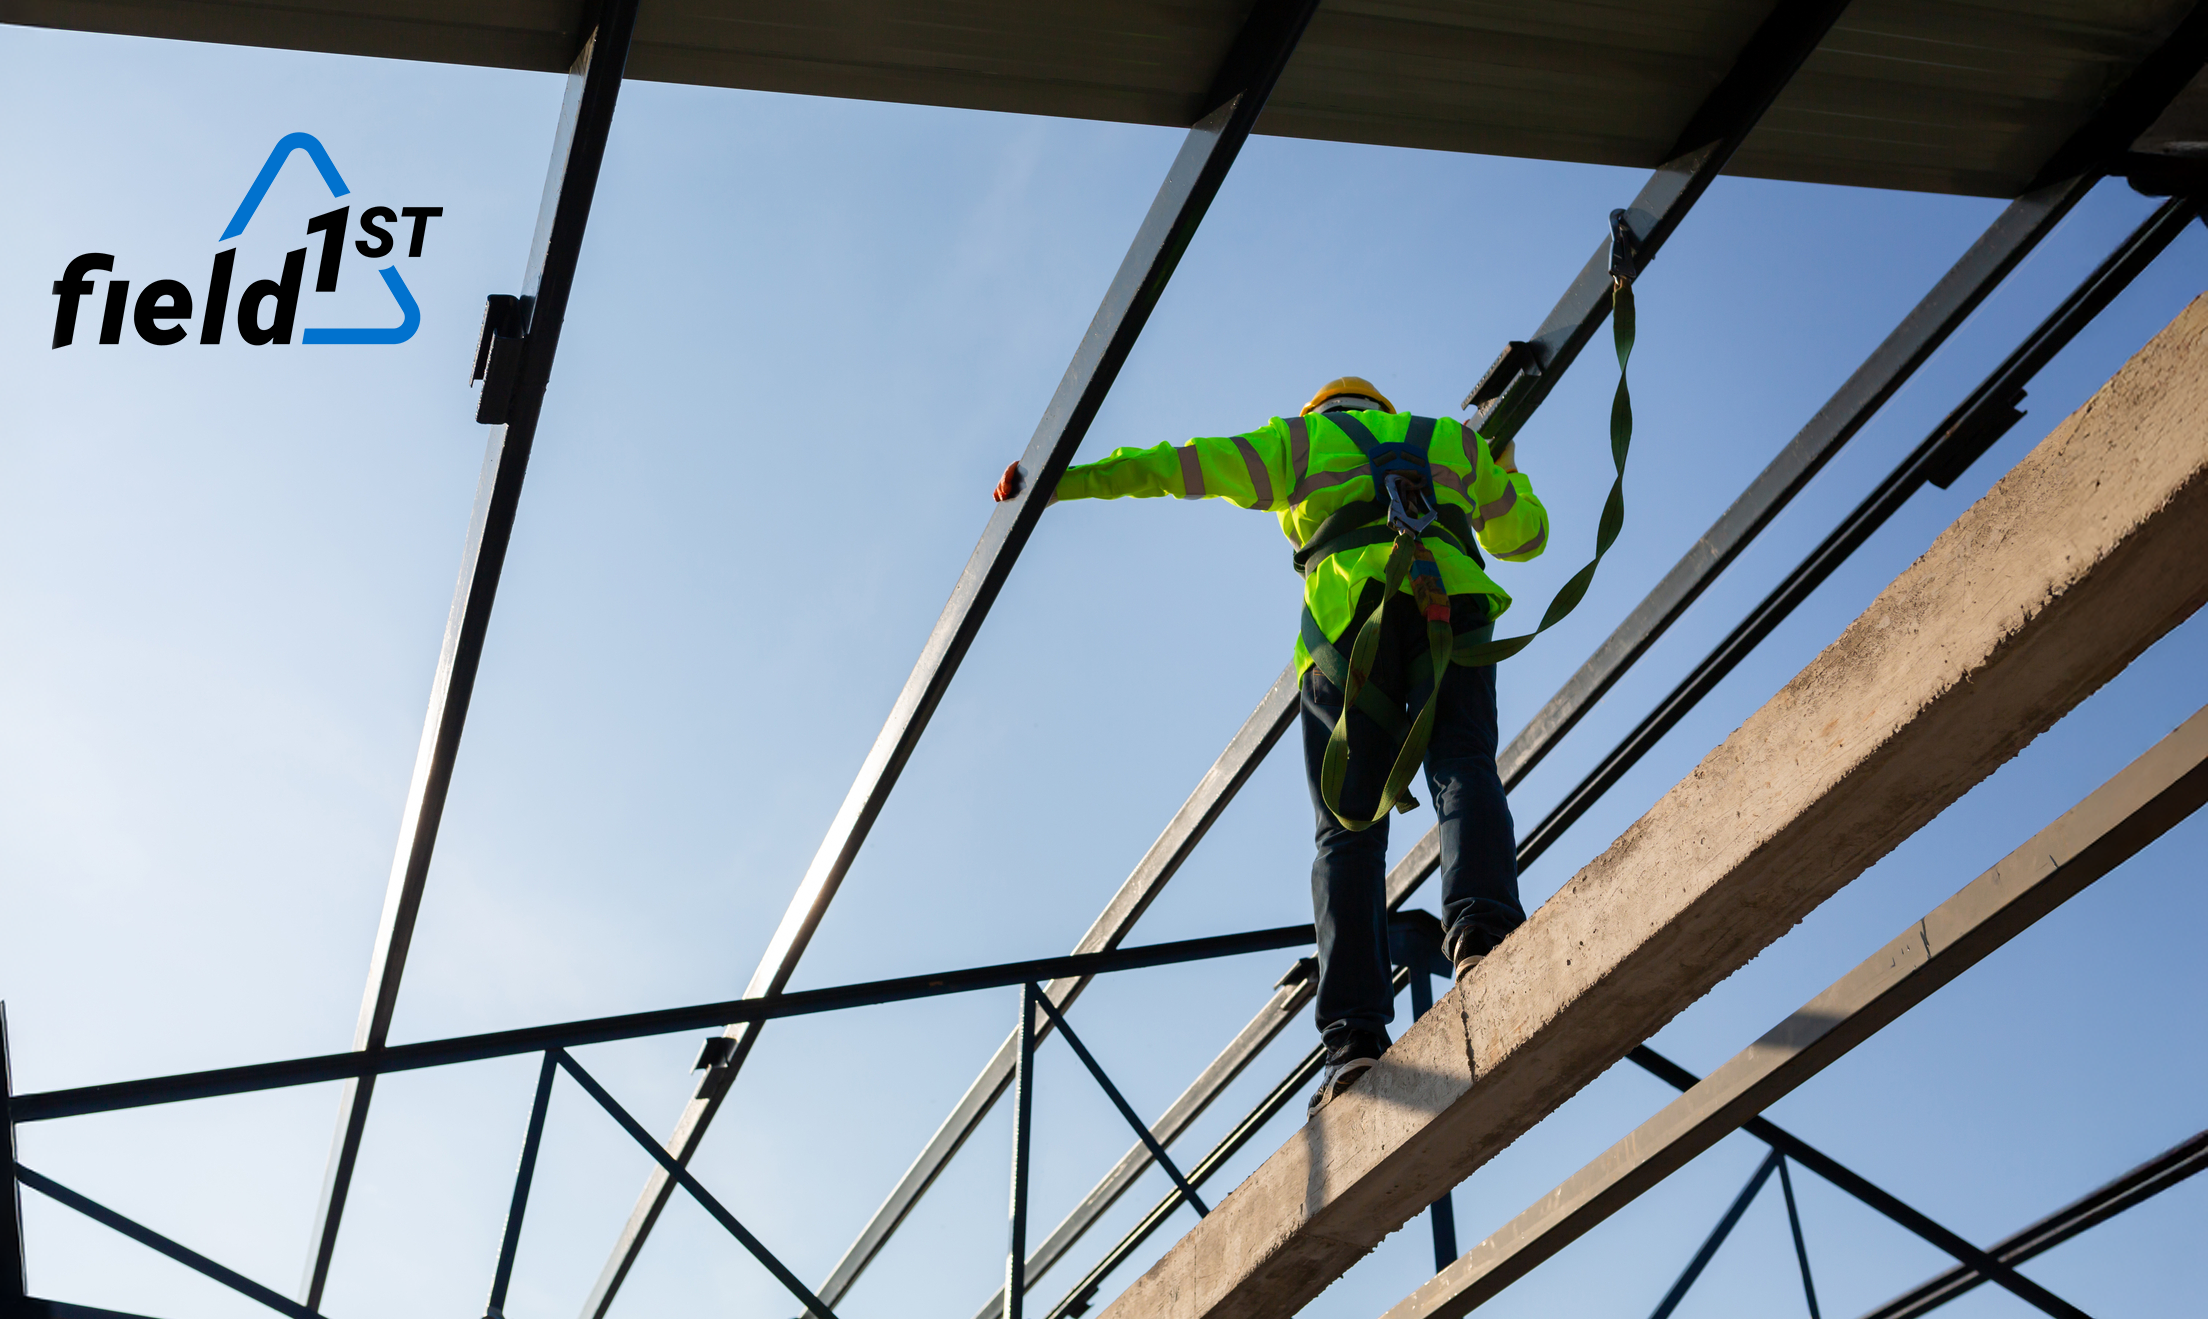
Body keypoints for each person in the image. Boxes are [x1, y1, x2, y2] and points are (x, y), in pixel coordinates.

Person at [993, 377, 1549, 1113]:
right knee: (1464, 766)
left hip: (1349, 628)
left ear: (1324, 410)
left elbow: (1174, 466)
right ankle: (1483, 927)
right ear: (1384, 411)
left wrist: (1059, 483)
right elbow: (1527, 537)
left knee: (1346, 835)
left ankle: (1354, 1037)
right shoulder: (1452, 443)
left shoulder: (1298, 443)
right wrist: (1502, 466)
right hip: (1449, 605)